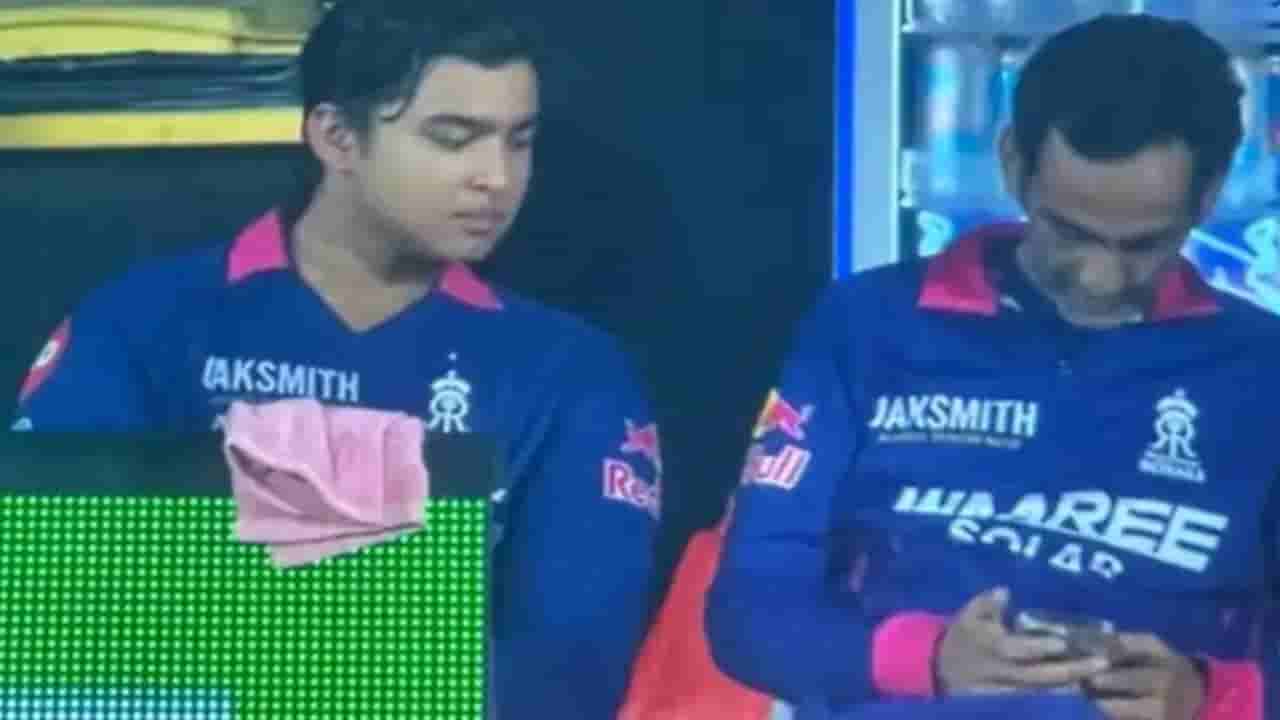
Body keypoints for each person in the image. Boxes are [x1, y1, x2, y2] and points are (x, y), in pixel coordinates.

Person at [11, 1, 661, 717]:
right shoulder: (141, 322)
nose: (497, 178)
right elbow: (54, 604)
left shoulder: (572, 373)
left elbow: (567, 671)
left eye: (519, 141)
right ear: (336, 136)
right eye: (453, 139)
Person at [707, 13, 1276, 720]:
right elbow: (749, 610)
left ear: (1211, 194)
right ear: (1013, 164)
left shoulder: (1264, 371)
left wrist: (1213, 694)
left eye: (1144, 245)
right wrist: (926, 661)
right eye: (1069, 232)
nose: (1099, 277)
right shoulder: (865, 325)